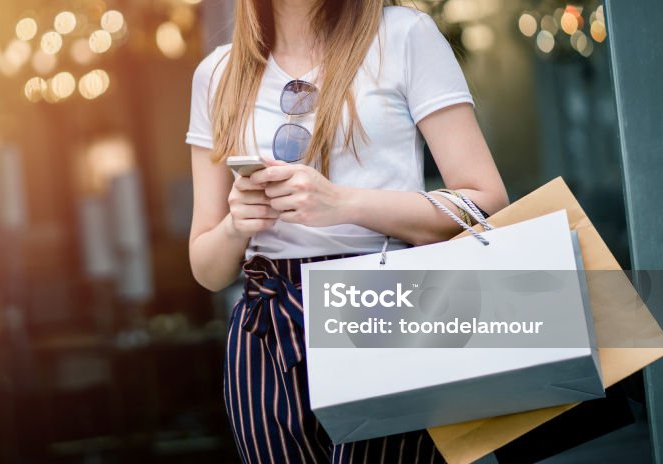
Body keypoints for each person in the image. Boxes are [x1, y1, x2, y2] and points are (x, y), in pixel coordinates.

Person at [187, 1, 509, 462]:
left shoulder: (403, 35)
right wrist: (238, 223)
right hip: (266, 328)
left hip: (382, 304)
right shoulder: (216, 74)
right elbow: (208, 269)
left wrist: (342, 203)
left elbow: (485, 202)